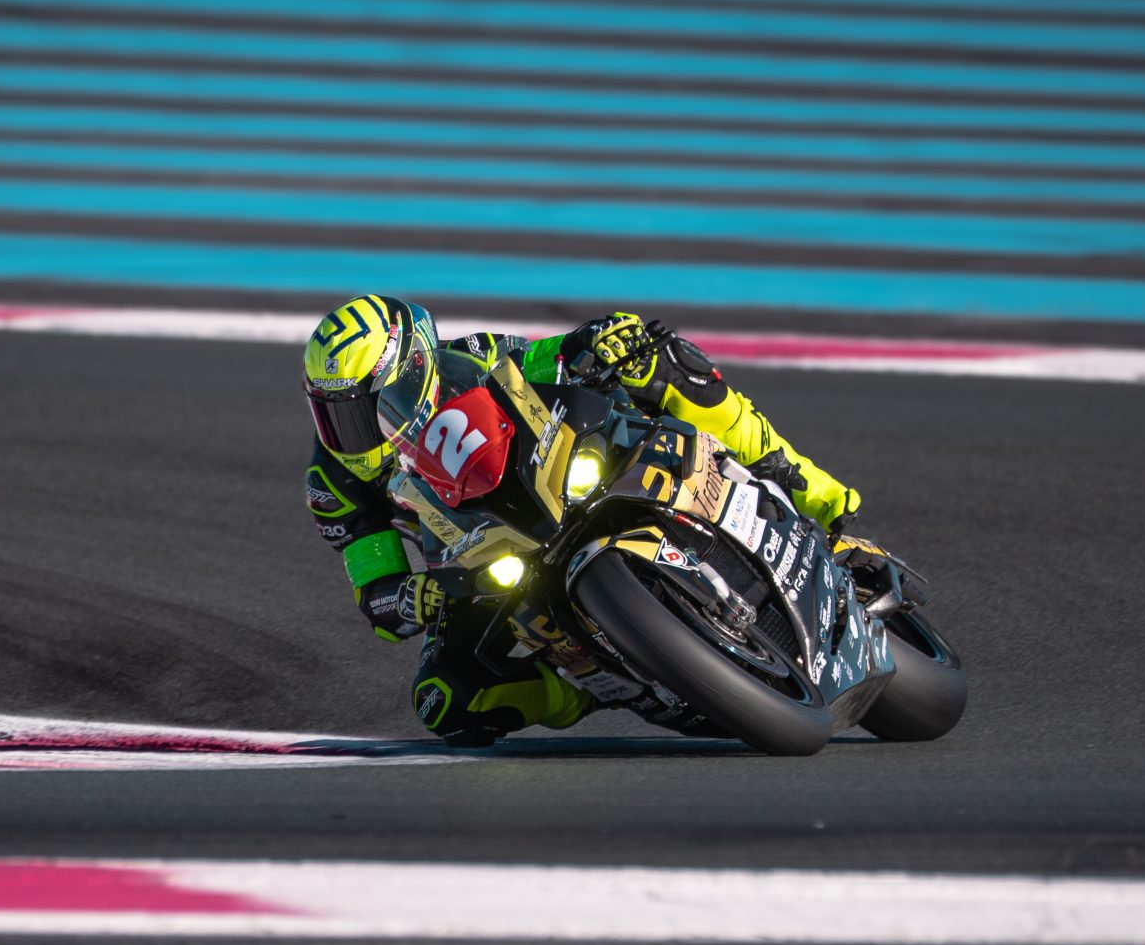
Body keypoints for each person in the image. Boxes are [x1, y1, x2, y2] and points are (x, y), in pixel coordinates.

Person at [300, 295, 863, 747]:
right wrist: (411, 599)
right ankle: (600, 683)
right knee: (445, 699)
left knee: (663, 362)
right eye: (334, 414)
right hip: (480, 557)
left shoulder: (469, 358)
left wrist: (598, 338)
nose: (348, 432)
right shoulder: (334, 483)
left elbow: (551, 354)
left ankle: (810, 493)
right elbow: (374, 587)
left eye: (361, 409)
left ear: (415, 368)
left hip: (555, 473)